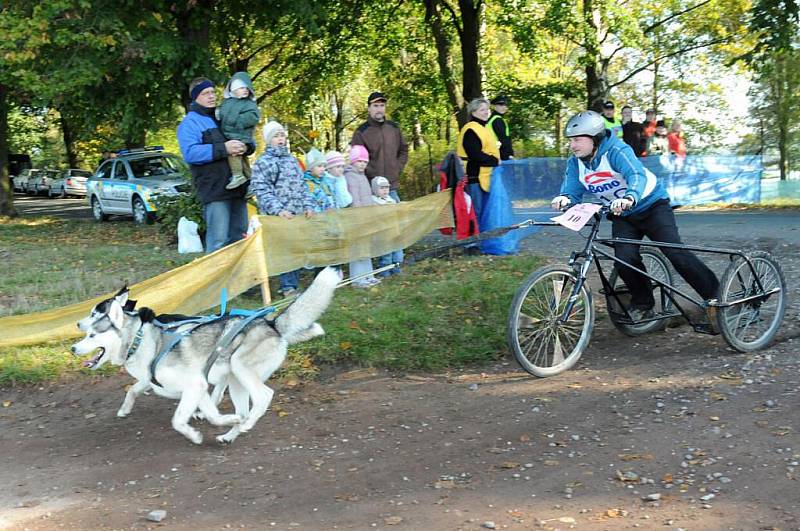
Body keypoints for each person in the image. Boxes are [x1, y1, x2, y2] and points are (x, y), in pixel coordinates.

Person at [551, 110, 719, 321]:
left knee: (675, 253)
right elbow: (573, 189)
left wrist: (630, 196)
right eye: (570, 141)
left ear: (594, 138)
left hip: (652, 205)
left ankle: (715, 297)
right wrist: (565, 198)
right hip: (622, 214)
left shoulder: (617, 151)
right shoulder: (575, 162)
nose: (572, 145)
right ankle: (643, 304)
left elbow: (636, 175)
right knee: (624, 260)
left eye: (577, 140)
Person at [177, 77, 250, 253]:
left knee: (240, 237)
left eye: (212, 92)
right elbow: (191, 153)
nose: (211, 96)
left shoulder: (223, 117)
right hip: (214, 189)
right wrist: (223, 148)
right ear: (195, 97)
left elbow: (244, 136)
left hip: (237, 188)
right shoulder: (190, 123)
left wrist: (246, 146)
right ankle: (217, 281)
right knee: (218, 240)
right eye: (205, 93)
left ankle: (238, 279)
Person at [250, 120, 315, 296]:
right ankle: (288, 287)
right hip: (278, 216)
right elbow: (262, 190)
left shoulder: (292, 161)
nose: (281, 139)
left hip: (298, 214)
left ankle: (295, 281)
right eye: (276, 136)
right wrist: (278, 210)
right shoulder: (263, 162)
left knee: (296, 248)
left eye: (282, 135)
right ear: (268, 140)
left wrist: (308, 204)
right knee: (284, 250)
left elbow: (302, 185)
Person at [350, 91, 409, 202]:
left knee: (396, 218)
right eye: (375, 106)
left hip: (391, 187)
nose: (379, 109)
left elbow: (403, 150)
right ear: (369, 108)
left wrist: (397, 167)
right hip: (370, 189)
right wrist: (369, 175)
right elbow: (356, 160)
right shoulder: (361, 132)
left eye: (382, 106)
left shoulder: (394, 128)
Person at [456, 97, 500, 225]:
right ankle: (471, 243)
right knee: (475, 211)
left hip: (484, 175)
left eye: (487, 109)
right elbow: (475, 154)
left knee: (482, 211)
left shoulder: (484, 128)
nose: (486, 112)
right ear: (473, 112)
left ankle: (480, 240)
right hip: (473, 176)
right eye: (482, 110)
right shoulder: (471, 129)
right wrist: (495, 161)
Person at [344, 145, 381, 288]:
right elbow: (355, 199)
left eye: (365, 162)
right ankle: (358, 279)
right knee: (357, 250)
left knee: (366, 249)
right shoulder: (350, 176)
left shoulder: (362, 176)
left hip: (366, 218)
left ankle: (368, 276)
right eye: (359, 161)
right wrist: (360, 216)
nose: (362, 164)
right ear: (353, 161)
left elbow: (367, 197)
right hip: (357, 219)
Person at [217, 71, 261, 190]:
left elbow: (253, 117)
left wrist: (237, 121)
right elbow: (223, 113)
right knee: (243, 160)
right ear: (233, 89)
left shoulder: (249, 104)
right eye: (241, 88)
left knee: (234, 153)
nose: (245, 90)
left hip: (240, 135)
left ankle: (237, 175)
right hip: (230, 133)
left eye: (246, 88)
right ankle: (252, 182)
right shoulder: (227, 103)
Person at [371, 176, 403, 276]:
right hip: (383, 234)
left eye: (386, 188)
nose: (385, 190)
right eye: (382, 188)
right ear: (375, 189)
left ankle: (396, 270)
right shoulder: (374, 202)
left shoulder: (391, 200)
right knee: (386, 255)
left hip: (394, 232)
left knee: (398, 253)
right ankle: (385, 273)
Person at [303, 148, 335, 213]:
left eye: (324, 166)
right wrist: (323, 212)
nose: (322, 169)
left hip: (332, 214)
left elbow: (332, 195)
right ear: (311, 168)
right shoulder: (308, 183)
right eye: (319, 166)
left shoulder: (325, 180)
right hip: (320, 216)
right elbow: (311, 202)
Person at [488, 95, 514, 160]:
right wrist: (509, 154)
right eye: (501, 105)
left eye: (505, 105)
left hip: (491, 153)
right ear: (494, 106)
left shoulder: (491, 119)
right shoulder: (497, 120)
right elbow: (503, 139)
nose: (504, 107)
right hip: (500, 155)